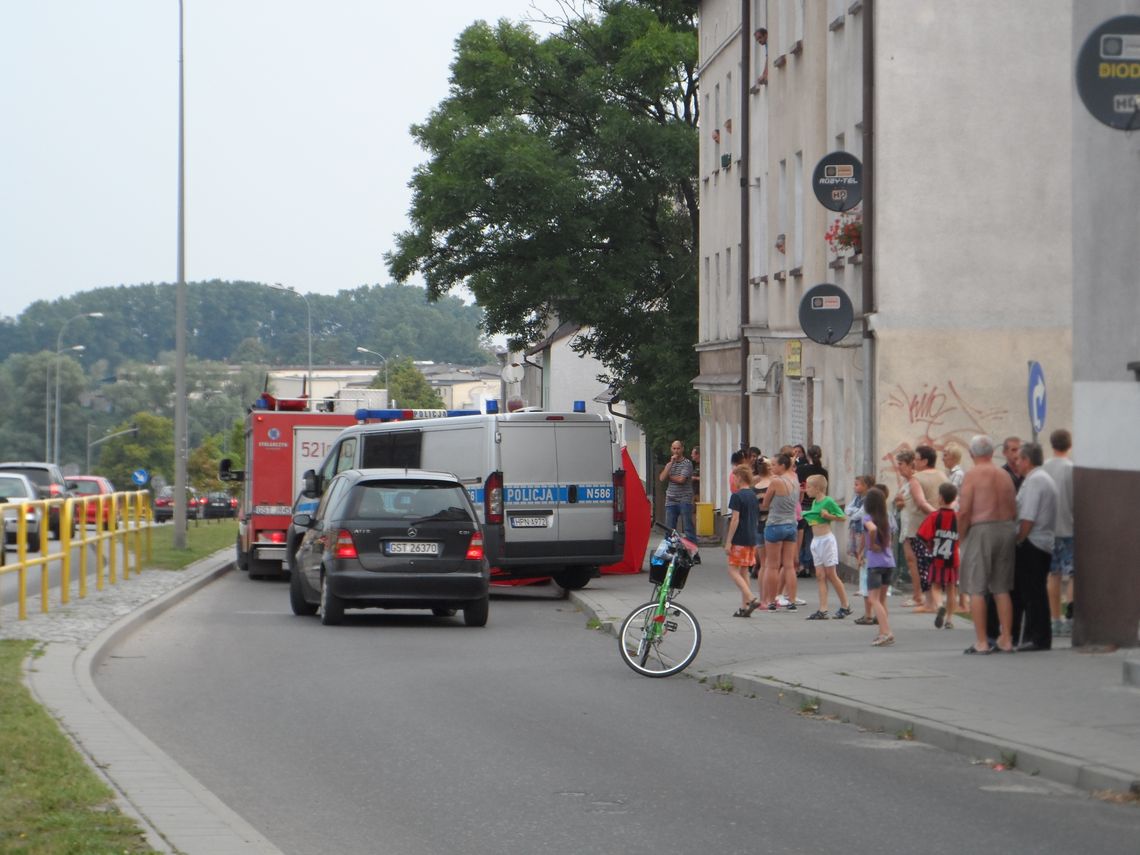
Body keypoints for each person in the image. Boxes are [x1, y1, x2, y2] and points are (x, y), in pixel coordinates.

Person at [958, 435, 1018, 655]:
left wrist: (961, 536)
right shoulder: (1004, 475)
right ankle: (1006, 639)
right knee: (1002, 588)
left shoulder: (972, 475)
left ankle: (982, 641)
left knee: (977, 587)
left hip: (981, 529)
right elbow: (1013, 508)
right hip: (1006, 528)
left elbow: (964, 511)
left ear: (972, 454)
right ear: (992, 453)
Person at [1011, 441, 1058, 651]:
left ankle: (1038, 638)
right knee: (1033, 592)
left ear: (1028, 460)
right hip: (1041, 542)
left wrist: (1019, 539)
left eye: (1019, 458)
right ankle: (1033, 636)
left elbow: (1027, 517)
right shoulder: (1040, 478)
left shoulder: (1035, 481)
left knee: (1033, 593)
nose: (1016, 462)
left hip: (1033, 543)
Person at [894, 447, 947, 612]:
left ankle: (928, 600)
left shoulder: (916, 479)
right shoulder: (941, 475)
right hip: (926, 525)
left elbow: (921, 502)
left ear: (923, 461)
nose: (915, 463)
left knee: (922, 562)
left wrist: (938, 515)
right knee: (927, 562)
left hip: (920, 526)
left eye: (916, 459)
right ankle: (930, 600)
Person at [803, 474, 850, 620]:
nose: (806, 490)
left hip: (826, 540)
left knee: (831, 574)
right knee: (820, 576)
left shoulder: (828, 501)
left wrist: (828, 516)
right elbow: (814, 517)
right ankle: (823, 609)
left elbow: (842, 517)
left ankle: (845, 605)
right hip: (816, 540)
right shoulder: (814, 503)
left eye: (809, 487)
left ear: (817, 488)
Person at [1042, 429, 1074, 637]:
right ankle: (1071, 617)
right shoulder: (1072, 469)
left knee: (1053, 574)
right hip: (1070, 527)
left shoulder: (1044, 468)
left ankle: (1055, 619)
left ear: (1052, 444)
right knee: (1073, 574)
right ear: (1069, 445)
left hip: (1049, 529)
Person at [917, 482, 961, 630]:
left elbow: (922, 536)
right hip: (953, 558)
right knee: (951, 588)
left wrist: (930, 546)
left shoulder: (934, 516)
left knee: (936, 586)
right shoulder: (958, 517)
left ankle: (939, 605)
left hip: (937, 558)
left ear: (940, 498)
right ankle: (949, 619)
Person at [760, 453, 800, 611]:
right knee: (789, 565)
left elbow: (765, 503)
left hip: (775, 524)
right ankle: (792, 601)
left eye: (775, 465)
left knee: (772, 565)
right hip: (791, 524)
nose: (772, 467)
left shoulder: (776, 482)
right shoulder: (795, 481)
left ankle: (771, 601)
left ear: (783, 466)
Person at [725, 464, 761, 617]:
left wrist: (728, 541)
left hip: (739, 538)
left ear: (739, 478)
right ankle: (744, 606)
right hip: (752, 537)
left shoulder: (737, 496)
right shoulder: (753, 495)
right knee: (744, 570)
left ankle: (751, 598)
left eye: (734, 478)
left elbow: (735, 519)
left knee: (732, 570)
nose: (733, 481)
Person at [861, 487, 895, 646]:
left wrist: (872, 543)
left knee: (873, 599)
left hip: (875, 563)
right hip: (889, 562)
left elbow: (872, 529)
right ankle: (882, 631)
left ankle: (887, 632)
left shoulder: (867, 518)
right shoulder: (886, 518)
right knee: (882, 600)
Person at [846, 475, 875, 618]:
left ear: (866, 486)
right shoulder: (857, 498)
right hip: (856, 527)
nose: (854, 487)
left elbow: (860, 514)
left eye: (857, 485)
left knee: (862, 556)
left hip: (860, 529)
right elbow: (848, 509)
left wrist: (853, 514)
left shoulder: (869, 499)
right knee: (859, 556)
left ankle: (864, 588)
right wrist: (852, 513)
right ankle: (862, 586)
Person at [659, 440, 696, 541]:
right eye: (674, 448)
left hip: (684, 498)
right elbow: (662, 478)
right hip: (671, 499)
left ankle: (692, 547)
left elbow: (681, 480)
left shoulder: (687, 463)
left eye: (678, 448)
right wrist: (671, 463)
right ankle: (669, 547)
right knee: (669, 527)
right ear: (671, 449)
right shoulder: (669, 464)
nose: (676, 451)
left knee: (687, 526)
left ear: (682, 449)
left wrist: (669, 477)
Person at [750, 456, 773, 581]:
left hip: (759, 524)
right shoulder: (774, 486)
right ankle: (774, 593)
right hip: (772, 523)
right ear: (769, 469)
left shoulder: (754, 489)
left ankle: (763, 594)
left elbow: (754, 509)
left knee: (763, 564)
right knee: (774, 564)